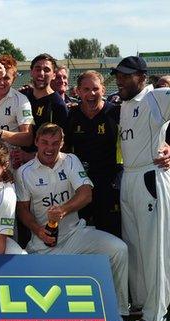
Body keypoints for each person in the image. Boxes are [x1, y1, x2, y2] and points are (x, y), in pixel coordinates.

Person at [15, 123, 130, 321]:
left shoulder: (70, 160)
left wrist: (64, 210)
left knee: (118, 249)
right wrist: (39, 230)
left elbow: (86, 193)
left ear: (62, 143)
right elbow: (22, 210)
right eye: (45, 143)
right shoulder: (23, 172)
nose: (50, 148)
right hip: (43, 243)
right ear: (36, 142)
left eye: (55, 143)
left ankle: (118, 314)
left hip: (76, 234)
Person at [111, 56, 170, 321]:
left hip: (150, 174)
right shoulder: (123, 103)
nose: (119, 80)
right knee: (133, 246)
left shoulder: (155, 97)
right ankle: (142, 306)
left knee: (152, 249)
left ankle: (156, 314)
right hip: (129, 177)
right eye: (118, 75)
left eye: (125, 75)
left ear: (142, 76)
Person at [64, 70, 121, 237]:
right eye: (86, 89)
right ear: (78, 91)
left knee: (110, 234)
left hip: (109, 184)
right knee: (78, 235)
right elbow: (64, 148)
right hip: (79, 185)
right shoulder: (72, 115)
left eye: (95, 89)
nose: (91, 93)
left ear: (103, 90)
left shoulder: (116, 113)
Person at [11, 54, 69, 169]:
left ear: (53, 75)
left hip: (44, 167)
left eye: (46, 70)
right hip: (17, 164)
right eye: (38, 69)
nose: (41, 73)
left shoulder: (58, 105)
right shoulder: (22, 96)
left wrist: (30, 156)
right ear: (31, 72)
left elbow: (62, 145)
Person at [0, 55, 34, 151]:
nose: (1, 82)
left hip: (8, 159)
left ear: (13, 79)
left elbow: (28, 138)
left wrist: (0, 133)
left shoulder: (21, 100)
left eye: (6, 78)